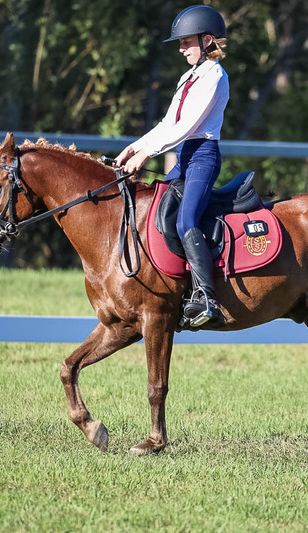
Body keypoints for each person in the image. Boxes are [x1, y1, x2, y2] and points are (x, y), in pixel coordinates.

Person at [115, 5, 229, 328]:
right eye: (180, 43)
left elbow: (187, 126)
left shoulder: (214, 77)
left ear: (206, 40)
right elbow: (168, 123)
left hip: (203, 156)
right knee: (157, 211)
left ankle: (206, 297)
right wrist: (135, 146)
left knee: (185, 221)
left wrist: (146, 154)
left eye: (186, 42)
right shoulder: (188, 77)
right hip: (184, 156)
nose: (181, 49)